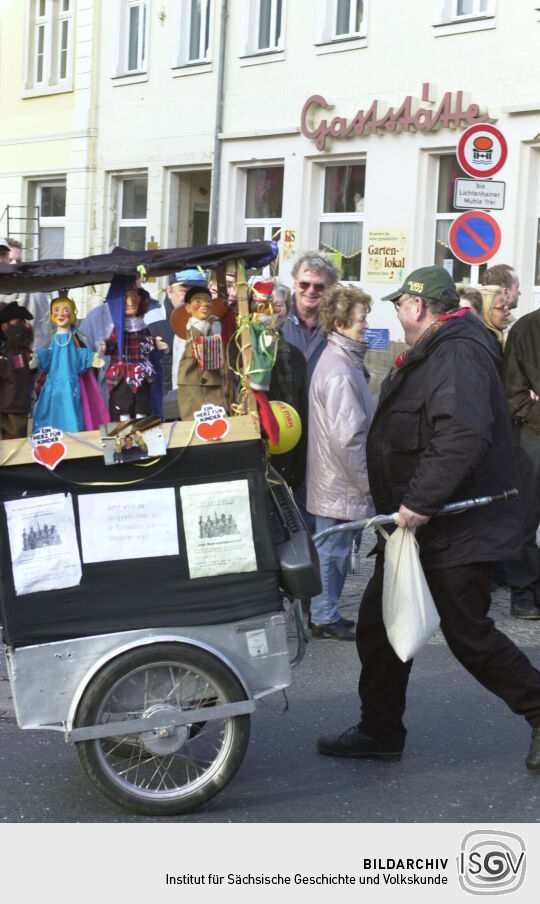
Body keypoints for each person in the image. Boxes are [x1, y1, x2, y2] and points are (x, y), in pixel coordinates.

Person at [317, 265, 540, 773]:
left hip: (455, 524)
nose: (396, 314)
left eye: (399, 305)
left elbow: (461, 436)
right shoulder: (442, 349)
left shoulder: (458, 352)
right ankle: (380, 730)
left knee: (470, 635)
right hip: (419, 528)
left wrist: (418, 501)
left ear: (417, 307)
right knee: (378, 626)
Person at [306, 285, 375, 640]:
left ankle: (326, 613)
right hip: (340, 481)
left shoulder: (343, 362)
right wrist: (369, 483)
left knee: (334, 550)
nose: (366, 325)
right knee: (332, 552)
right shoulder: (340, 370)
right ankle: (323, 617)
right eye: (361, 319)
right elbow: (349, 438)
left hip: (336, 479)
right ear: (340, 323)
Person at [502, 307, 540, 619]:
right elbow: (514, 395)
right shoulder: (526, 330)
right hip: (533, 438)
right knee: (526, 518)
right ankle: (523, 590)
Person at [33, 294, 106, 433]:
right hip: (53, 384)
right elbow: (50, 355)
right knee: (50, 411)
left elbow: (77, 356)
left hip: (70, 384)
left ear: (72, 314)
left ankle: (72, 437)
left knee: (70, 410)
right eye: (56, 309)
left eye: (65, 310)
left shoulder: (72, 340)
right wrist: (38, 358)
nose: (60, 314)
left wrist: (93, 358)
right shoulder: (55, 339)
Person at [268, 280, 308, 491]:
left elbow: (301, 410)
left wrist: (299, 465)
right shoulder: (239, 352)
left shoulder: (295, 356)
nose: (273, 310)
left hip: (286, 456)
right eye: (265, 303)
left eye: (279, 304)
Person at [281, 250, 339, 387]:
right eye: (304, 284)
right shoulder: (277, 320)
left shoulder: (339, 326)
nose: (311, 291)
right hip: (285, 407)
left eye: (319, 286)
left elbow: (356, 374)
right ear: (295, 284)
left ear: (329, 289)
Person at [0, 300, 35, 439]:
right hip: (8, 403)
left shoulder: (22, 352)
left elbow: (23, 370)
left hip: (16, 404)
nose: (26, 325)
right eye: (18, 322)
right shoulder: (8, 351)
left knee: (14, 439)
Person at [477, 284, 511, 353]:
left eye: (506, 307)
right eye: (502, 308)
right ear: (486, 310)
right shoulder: (486, 344)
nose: (508, 313)